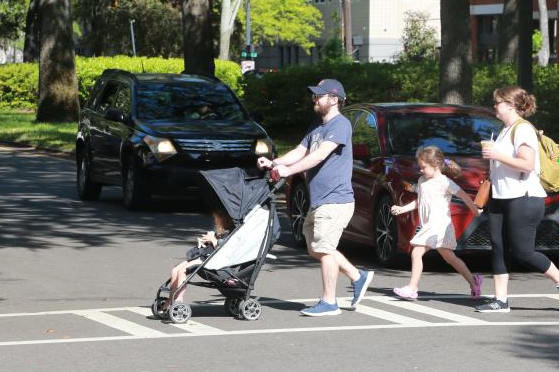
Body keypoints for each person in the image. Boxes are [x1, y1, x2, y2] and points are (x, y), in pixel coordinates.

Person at [257, 78, 374, 316]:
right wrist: (276, 162)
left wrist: (289, 171)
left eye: (319, 95)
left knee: (326, 248)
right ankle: (357, 276)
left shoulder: (340, 125)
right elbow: (301, 151)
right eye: (314, 95)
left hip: (336, 199)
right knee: (315, 247)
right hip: (320, 199)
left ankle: (329, 302)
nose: (314, 98)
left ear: (333, 99)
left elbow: (320, 155)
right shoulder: (317, 125)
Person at [477, 85, 559, 313]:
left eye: (498, 102)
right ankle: (500, 300)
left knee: (523, 252)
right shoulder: (505, 129)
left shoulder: (522, 129)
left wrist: (497, 155)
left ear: (511, 106)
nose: (495, 106)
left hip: (524, 198)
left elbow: (527, 164)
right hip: (501, 196)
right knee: (499, 247)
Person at [390, 146, 484, 300]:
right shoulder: (422, 180)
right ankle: (474, 282)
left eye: (423, 167)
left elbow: (464, 196)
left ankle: (412, 288)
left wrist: (474, 211)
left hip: (439, 225)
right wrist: (402, 209)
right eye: (420, 167)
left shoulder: (445, 182)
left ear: (436, 165)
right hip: (430, 226)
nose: (421, 171)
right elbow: (420, 201)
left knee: (417, 252)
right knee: (450, 258)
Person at [164, 206, 235, 310]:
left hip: (213, 261)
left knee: (183, 271)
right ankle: (170, 300)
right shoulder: (221, 232)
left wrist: (213, 240)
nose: (214, 223)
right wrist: (205, 242)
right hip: (206, 257)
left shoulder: (230, 234)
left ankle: (179, 300)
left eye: (216, 220)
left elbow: (224, 252)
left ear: (223, 221)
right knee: (175, 270)